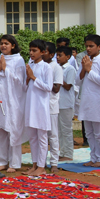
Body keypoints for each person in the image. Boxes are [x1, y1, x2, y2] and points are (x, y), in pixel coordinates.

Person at [0, 34, 26, 172]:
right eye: (2, 43)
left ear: (13, 46)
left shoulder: (18, 60)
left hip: (12, 102)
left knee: (13, 130)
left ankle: (14, 163)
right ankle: (1, 161)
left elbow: (20, 82)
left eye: (7, 43)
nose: (3, 45)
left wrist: (5, 69)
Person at [79, 34, 100, 167]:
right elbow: (77, 80)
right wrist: (83, 68)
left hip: (97, 100)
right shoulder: (86, 60)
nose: (88, 48)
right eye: (86, 46)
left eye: (91, 46)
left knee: (98, 133)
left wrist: (89, 70)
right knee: (89, 133)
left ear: (99, 47)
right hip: (86, 99)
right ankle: (93, 157)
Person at [22, 40, 53, 176]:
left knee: (42, 137)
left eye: (34, 50)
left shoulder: (47, 67)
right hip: (30, 105)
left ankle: (41, 166)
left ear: (43, 52)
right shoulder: (30, 66)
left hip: (41, 107)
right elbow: (24, 88)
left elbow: (48, 87)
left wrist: (33, 77)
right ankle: (34, 165)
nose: (31, 53)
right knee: (33, 137)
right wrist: (28, 79)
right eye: (30, 50)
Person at [43, 43, 64, 173]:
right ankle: (41, 162)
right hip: (39, 106)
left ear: (51, 54)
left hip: (51, 106)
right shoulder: (38, 66)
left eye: (44, 51)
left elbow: (56, 89)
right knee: (41, 136)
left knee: (53, 136)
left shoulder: (56, 67)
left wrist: (41, 82)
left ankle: (54, 163)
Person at [57, 46, 77, 161]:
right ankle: (62, 151)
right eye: (57, 55)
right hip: (58, 103)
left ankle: (68, 154)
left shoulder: (70, 69)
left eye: (60, 55)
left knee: (66, 129)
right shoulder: (58, 68)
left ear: (68, 57)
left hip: (66, 103)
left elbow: (68, 86)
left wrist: (58, 77)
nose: (58, 58)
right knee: (59, 130)